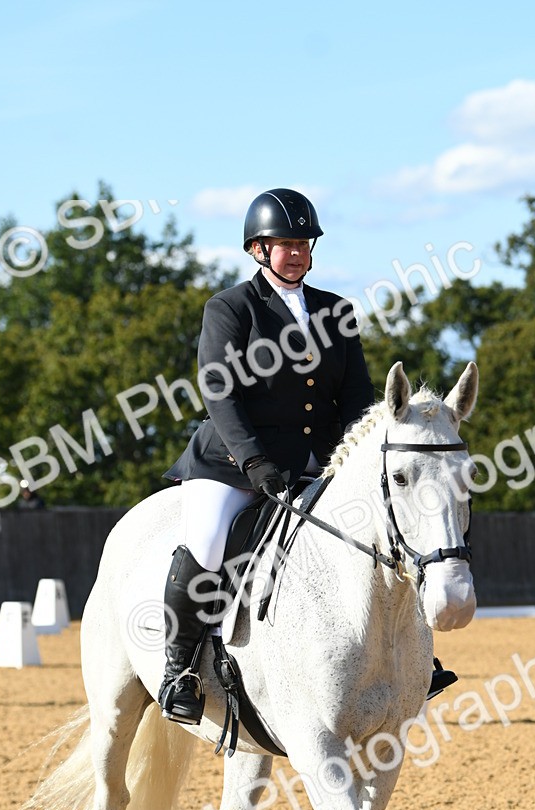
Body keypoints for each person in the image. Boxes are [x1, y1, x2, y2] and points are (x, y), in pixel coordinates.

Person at [158, 187, 374, 723]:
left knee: (377, 533)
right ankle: (179, 667)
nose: (297, 252)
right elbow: (220, 394)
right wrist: (256, 464)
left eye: (304, 243)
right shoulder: (231, 308)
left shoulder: (336, 310)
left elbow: (355, 398)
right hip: (232, 462)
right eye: (285, 244)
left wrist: (350, 464)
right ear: (257, 249)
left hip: (314, 463)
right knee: (209, 544)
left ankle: (403, 659)